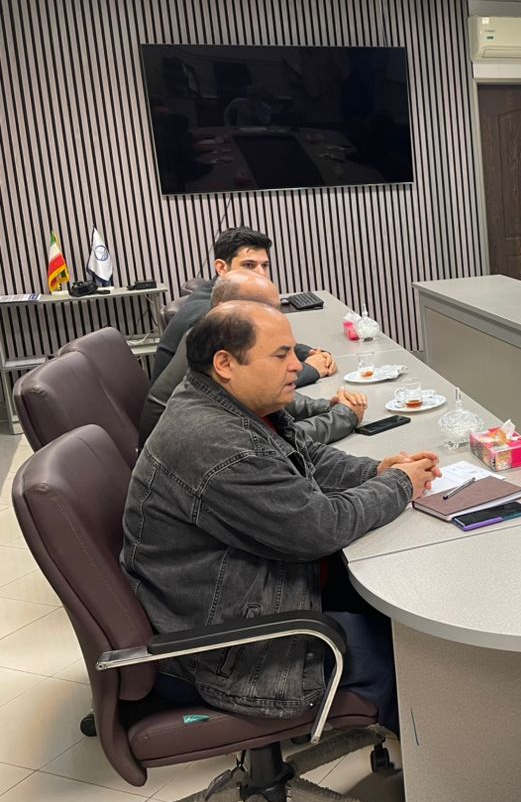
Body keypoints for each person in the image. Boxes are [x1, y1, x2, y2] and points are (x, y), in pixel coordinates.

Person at [121, 301, 441, 734]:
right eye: (281, 355)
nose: (297, 366)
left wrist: (375, 471)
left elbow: (305, 457)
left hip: (246, 593)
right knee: (415, 656)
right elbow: (321, 527)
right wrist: (400, 484)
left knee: (400, 596)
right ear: (225, 364)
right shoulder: (216, 442)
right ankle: (437, 763)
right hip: (234, 652)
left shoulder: (225, 401)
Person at [140, 270, 367, 447]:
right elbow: (272, 443)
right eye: (266, 310)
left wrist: (325, 406)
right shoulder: (215, 347)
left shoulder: (220, 332)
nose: (275, 318)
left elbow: (269, 399)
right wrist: (343, 416)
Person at [152, 226, 337, 382]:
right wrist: (311, 369)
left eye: (264, 265)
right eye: (249, 265)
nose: (261, 274)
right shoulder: (213, 314)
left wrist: (308, 353)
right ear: (221, 267)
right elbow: (246, 383)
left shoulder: (221, 294)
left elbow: (262, 342)